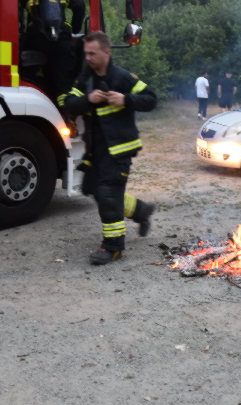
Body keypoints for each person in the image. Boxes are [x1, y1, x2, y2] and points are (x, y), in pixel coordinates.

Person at [61, 31, 157, 265]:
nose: (88, 58)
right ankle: (141, 210)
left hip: (120, 149)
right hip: (96, 150)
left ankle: (113, 247)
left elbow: (151, 99)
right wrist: (88, 100)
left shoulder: (122, 77)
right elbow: (67, 104)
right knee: (92, 188)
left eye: (92, 53)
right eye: (86, 53)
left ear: (107, 51)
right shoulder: (85, 78)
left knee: (107, 193)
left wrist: (126, 100)